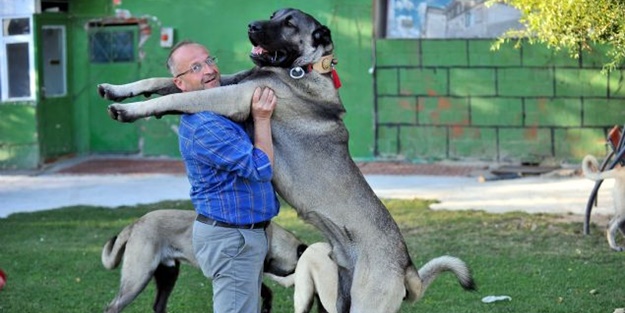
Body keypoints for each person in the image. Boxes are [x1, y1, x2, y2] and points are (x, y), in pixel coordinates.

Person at [167, 40, 280, 313]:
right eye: (195, 67)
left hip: (242, 236)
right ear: (180, 84)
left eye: (208, 60)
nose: (208, 70)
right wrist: (262, 118)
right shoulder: (205, 125)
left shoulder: (217, 112)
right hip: (232, 240)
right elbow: (261, 168)